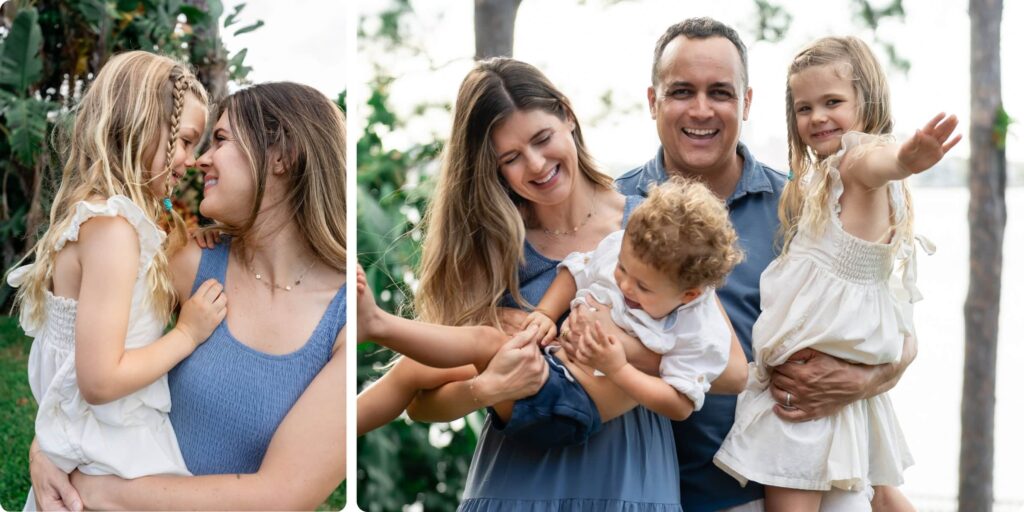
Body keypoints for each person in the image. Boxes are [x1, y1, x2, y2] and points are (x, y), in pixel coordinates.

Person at [357, 57, 748, 511]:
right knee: (416, 367)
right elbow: (424, 403)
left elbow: (731, 371)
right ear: (493, 167)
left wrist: (612, 350)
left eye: (543, 139)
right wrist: (488, 388)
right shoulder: (495, 245)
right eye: (510, 158)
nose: (537, 165)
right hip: (518, 481)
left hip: (628, 482)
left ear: (567, 116)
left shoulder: (652, 230)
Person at [603, 18, 918, 512]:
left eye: (720, 92)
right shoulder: (612, 210)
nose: (701, 110)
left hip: (772, 490)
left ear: (746, 102)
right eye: (682, 91)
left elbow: (890, 322)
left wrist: (862, 381)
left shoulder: (800, 207)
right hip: (643, 494)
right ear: (653, 101)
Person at [26, 80, 348, 511]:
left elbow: (281, 496)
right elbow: (80, 357)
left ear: (282, 156)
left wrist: (95, 491)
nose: (200, 160)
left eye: (220, 139)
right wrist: (46, 448)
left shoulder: (346, 317)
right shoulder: (185, 259)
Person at [713, 36, 958, 511]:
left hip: (804, 396)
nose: (817, 117)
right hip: (827, 386)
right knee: (880, 494)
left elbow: (879, 162)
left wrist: (906, 160)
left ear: (866, 101)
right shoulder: (821, 184)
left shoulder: (855, 161)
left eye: (833, 102)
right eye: (804, 108)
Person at [357, 178, 744, 442]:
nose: (625, 285)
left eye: (643, 287)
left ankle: (377, 324)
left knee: (485, 342)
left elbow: (680, 404)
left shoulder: (699, 328)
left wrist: (618, 368)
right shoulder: (622, 246)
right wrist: (544, 313)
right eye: (623, 270)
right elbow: (575, 270)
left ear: (689, 294)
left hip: (569, 405)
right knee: (413, 370)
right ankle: (335, 429)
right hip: (547, 364)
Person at [4, 51, 223, 505]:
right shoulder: (113, 230)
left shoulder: (101, 220)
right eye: (185, 140)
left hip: (88, 441)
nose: (189, 160)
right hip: (112, 450)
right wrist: (187, 333)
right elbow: (100, 381)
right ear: (142, 125)